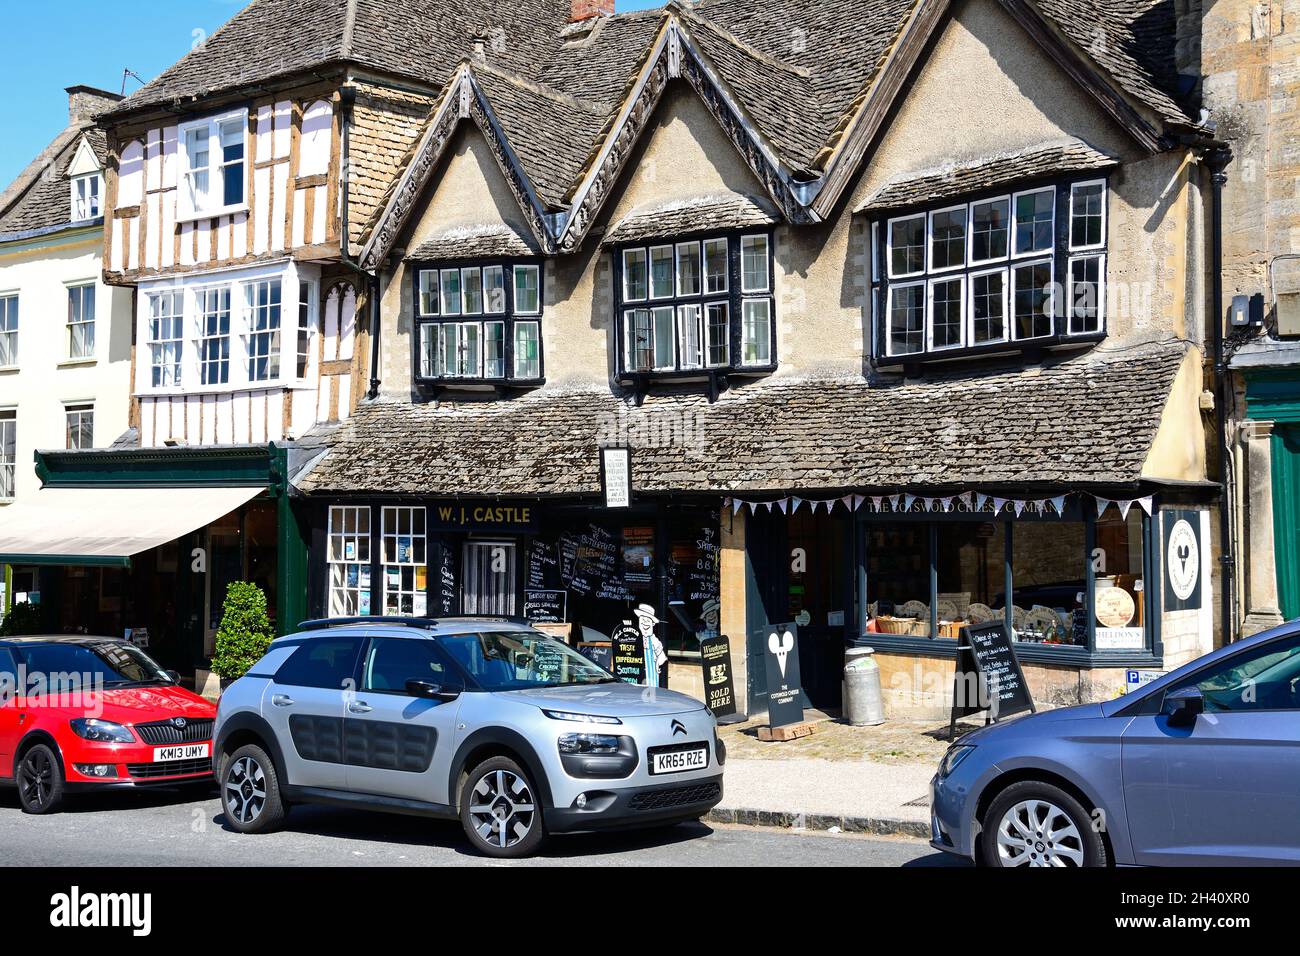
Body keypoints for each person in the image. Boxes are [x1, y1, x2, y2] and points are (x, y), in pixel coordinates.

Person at [632, 603, 666, 687]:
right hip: (637, 675)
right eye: (642, 620)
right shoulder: (635, 638)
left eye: (648, 620)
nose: (645, 623)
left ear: (653, 623)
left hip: (651, 677)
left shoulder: (654, 640)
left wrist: (657, 663)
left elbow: (662, 657)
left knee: (651, 694)